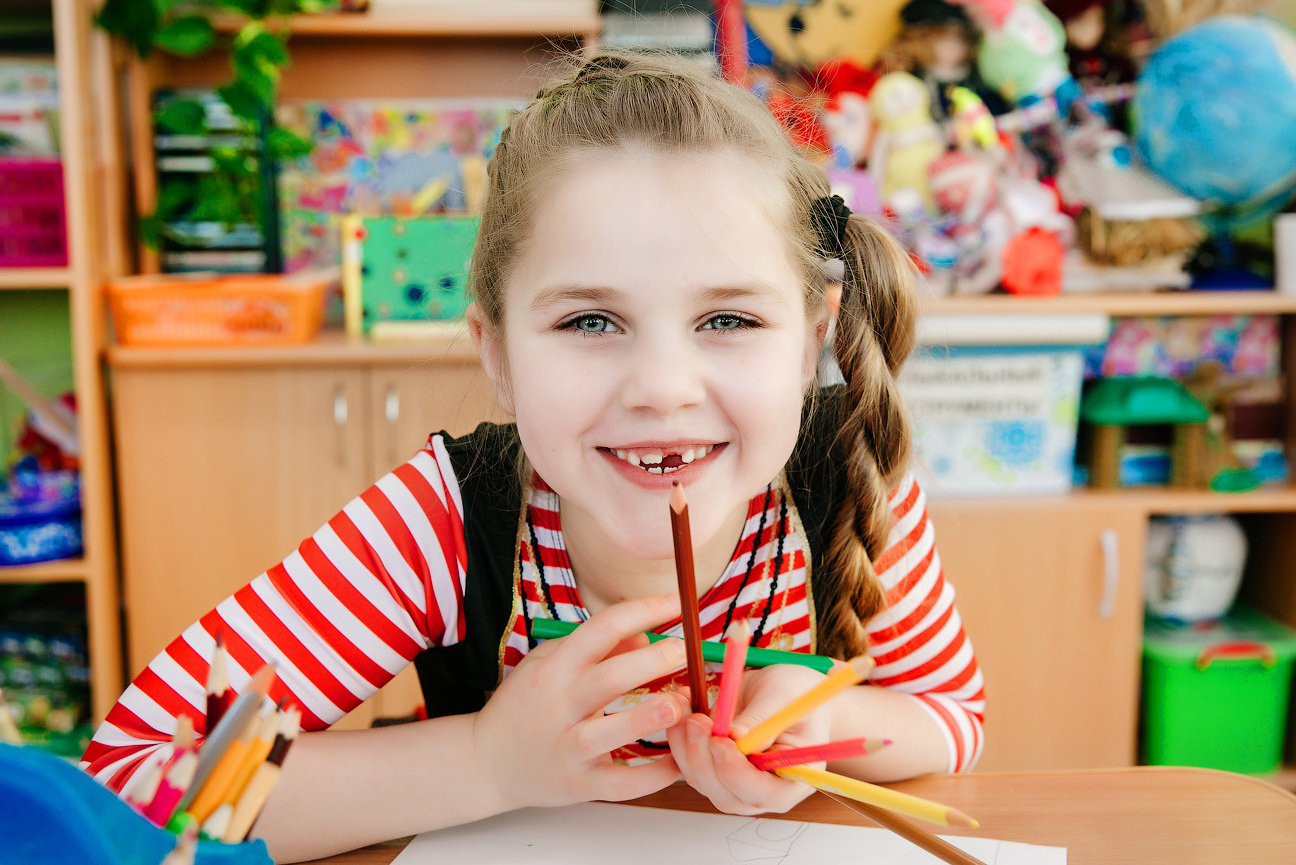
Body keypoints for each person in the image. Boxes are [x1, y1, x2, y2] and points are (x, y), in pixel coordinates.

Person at [82, 52, 984, 863]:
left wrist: (832, 721)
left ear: (806, 344)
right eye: (590, 321)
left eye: (729, 320)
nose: (661, 388)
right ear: (499, 355)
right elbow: (126, 782)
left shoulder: (853, 473)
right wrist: (488, 761)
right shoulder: (442, 520)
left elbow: (952, 719)